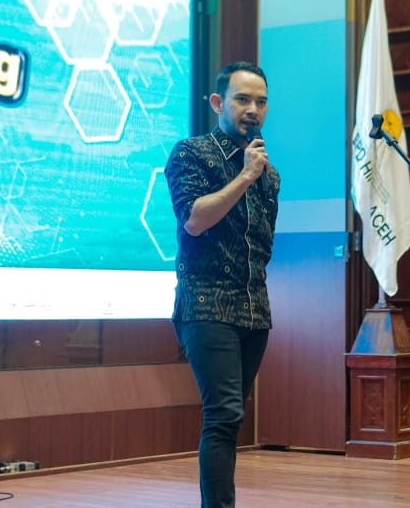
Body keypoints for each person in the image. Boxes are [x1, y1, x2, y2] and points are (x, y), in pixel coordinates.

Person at [164, 61, 279, 508]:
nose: (253, 110)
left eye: (261, 102)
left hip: (254, 310)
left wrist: (256, 174)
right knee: (223, 414)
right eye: (242, 99)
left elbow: (261, 244)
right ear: (217, 103)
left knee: (232, 419)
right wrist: (245, 176)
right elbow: (194, 220)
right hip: (207, 305)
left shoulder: (270, 174)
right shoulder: (191, 154)